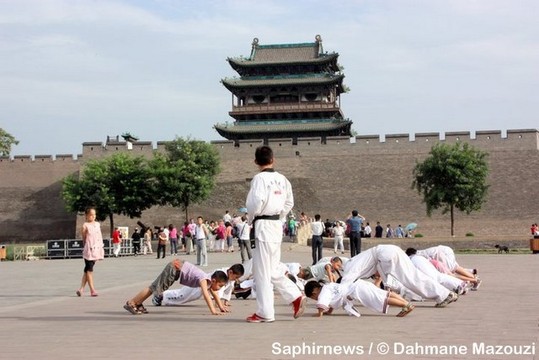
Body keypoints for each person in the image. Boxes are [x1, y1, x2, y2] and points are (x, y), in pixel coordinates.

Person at [245, 145, 306, 323]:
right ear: (273, 160)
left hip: (263, 224)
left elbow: (255, 202)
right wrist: (280, 217)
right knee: (271, 268)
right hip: (275, 225)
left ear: (256, 161)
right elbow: (289, 203)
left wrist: (250, 218)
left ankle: (265, 312)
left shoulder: (259, 179)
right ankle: (295, 295)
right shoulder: (283, 179)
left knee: (262, 271)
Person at [341, 244, 458, 307]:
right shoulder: (356, 260)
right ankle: (444, 293)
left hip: (385, 256)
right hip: (391, 251)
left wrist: (333, 298)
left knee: (407, 281)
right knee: (413, 277)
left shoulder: (349, 266)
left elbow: (344, 284)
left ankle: (443, 295)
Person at [123, 259, 229, 315]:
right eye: (220, 285)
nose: (219, 288)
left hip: (177, 268)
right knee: (154, 288)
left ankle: (138, 303)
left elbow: (214, 294)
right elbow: (206, 295)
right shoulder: (204, 279)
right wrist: (213, 311)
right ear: (214, 280)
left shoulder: (209, 280)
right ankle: (132, 303)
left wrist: (221, 307)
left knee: (156, 288)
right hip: (175, 268)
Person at [305, 279, 415, 318]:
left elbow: (322, 304)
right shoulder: (328, 287)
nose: (315, 299)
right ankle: (406, 303)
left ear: (314, 291)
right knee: (384, 294)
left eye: (313, 297)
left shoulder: (323, 292)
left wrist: (319, 314)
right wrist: (329, 311)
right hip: (360, 285)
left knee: (381, 300)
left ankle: (406, 305)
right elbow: (331, 302)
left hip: (358, 291)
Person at [161, 264, 245, 307]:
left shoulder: (230, 279)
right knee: (181, 295)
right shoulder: (220, 272)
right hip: (198, 285)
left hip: (203, 289)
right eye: (236, 277)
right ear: (230, 272)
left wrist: (226, 302)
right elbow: (216, 291)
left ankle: (164, 297)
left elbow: (228, 290)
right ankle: (161, 295)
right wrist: (218, 305)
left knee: (185, 298)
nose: (236, 279)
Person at [76, 207, 104, 297]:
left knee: (87, 270)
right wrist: (86, 246)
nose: (93, 216)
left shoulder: (97, 224)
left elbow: (99, 236)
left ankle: (81, 289)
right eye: (91, 215)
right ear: (87, 215)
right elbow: (84, 238)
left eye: (94, 214)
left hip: (97, 249)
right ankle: (92, 290)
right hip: (89, 250)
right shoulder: (85, 225)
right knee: (89, 270)